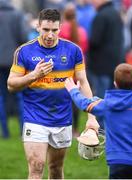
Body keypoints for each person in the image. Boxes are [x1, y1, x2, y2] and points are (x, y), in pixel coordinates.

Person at [7, 8, 99, 179]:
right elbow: (11, 85)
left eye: (54, 30)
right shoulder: (24, 51)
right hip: (34, 117)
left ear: (60, 28)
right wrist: (34, 75)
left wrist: (91, 118)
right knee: (36, 167)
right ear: (38, 27)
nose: (50, 35)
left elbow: (83, 83)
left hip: (62, 118)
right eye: (46, 30)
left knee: (56, 169)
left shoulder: (73, 51)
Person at [64, 63, 132, 179]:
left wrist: (73, 90)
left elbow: (84, 104)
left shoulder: (107, 104)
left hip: (116, 161)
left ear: (115, 83)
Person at [88, 0, 123, 129]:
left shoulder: (101, 16)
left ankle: (101, 128)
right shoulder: (116, 13)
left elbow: (95, 41)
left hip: (101, 64)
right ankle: (113, 126)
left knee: (101, 99)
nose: (92, 3)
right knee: (113, 98)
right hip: (115, 63)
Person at [59, 2, 89, 137]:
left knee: (62, 100)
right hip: (78, 69)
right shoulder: (81, 30)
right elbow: (85, 48)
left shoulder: (61, 30)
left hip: (63, 69)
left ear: (64, 16)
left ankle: (63, 128)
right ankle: (75, 129)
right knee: (74, 99)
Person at [0, 0, 28, 138]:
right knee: (19, 95)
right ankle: (23, 130)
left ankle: (5, 132)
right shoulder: (17, 15)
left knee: (1, 96)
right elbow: (23, 37)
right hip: (14, 62)